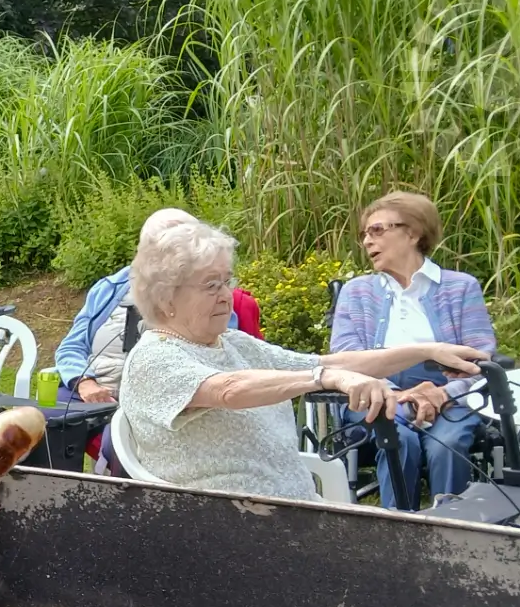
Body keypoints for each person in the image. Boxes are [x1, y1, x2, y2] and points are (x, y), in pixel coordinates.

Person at [117, 212, 484, 501]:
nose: (226, 295)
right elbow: (229, 390)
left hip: (289, 510)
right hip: (222, 523)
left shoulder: (230, 342)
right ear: (166, 298)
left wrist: (426, 350)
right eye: (211, 285)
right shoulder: (154, 358)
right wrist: (323, 380)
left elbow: (327, 363)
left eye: (227, 281)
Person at [331, 192, 498, 509]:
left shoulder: (461, 287)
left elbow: (479, 360)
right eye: (365, 233)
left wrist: (443, 394)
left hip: (450, 396)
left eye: (377, 230)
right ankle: (397, 531)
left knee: (448, 443)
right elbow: (345, 359)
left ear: (413, 233)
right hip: (374, 395)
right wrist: (395, 395)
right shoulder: (356, 293)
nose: (367, 241)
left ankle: (450, 528)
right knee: (398, 441)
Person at [54, 209, 246, 405]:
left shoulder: (211, 299)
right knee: (44, 414)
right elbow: (71, 347)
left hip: (162, 400)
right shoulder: (108, 288)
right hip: (91, 393)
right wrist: (84, 382)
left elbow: (220, 357)